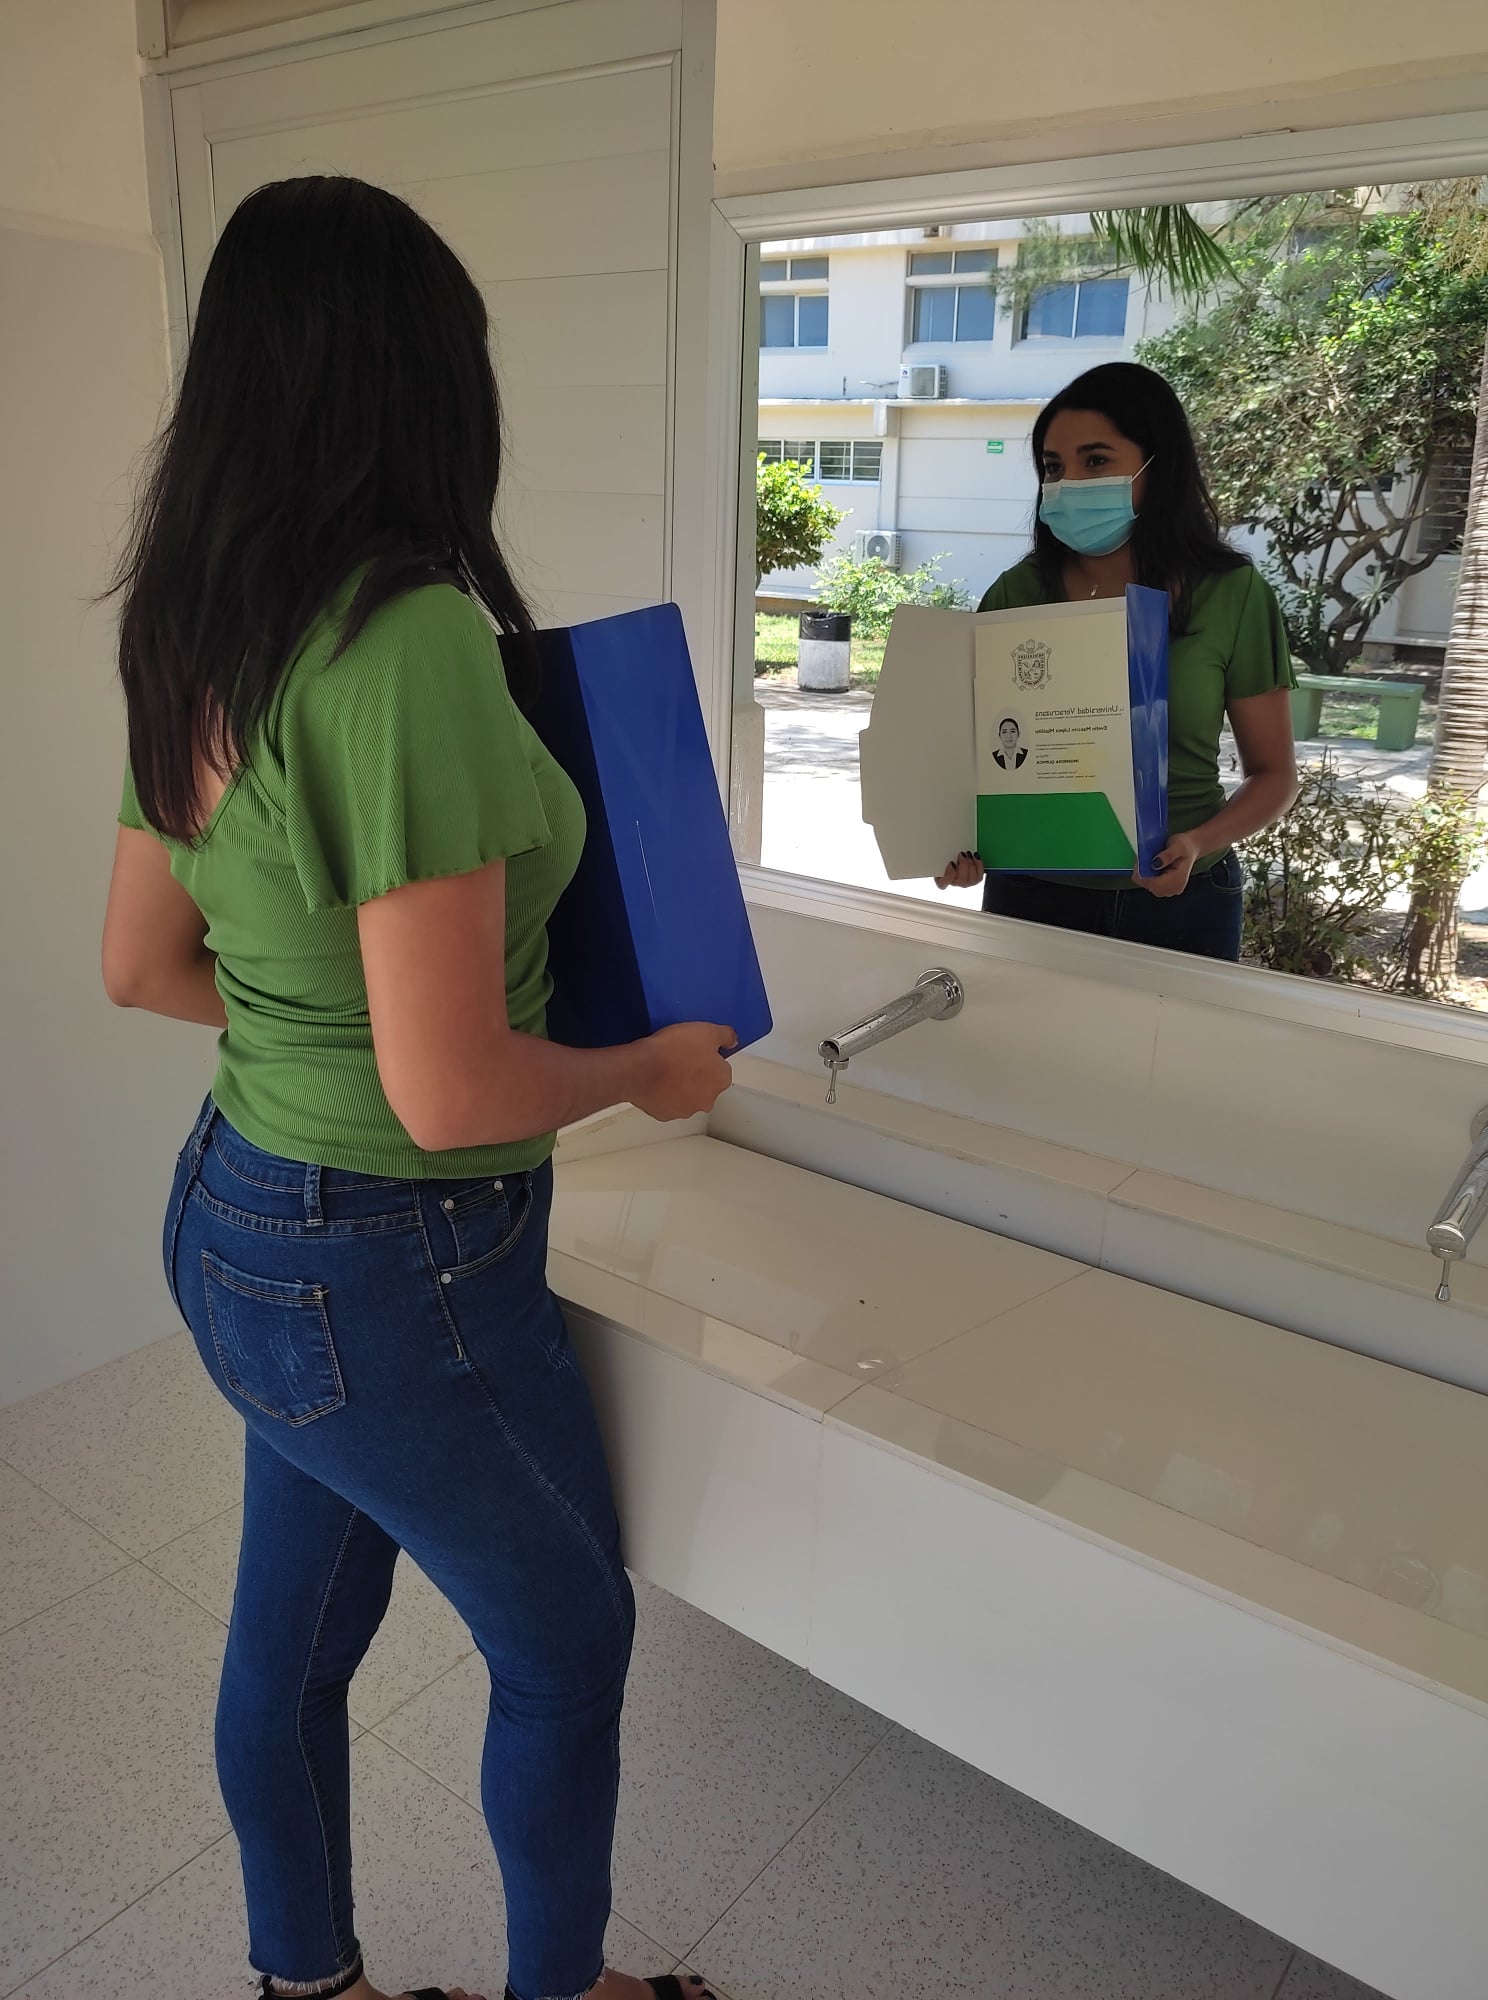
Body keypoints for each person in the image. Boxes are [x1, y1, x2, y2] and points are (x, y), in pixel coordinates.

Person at [100, 177, 731, 2000]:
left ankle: (306, 1982)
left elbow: (142, 964)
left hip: (233, 1213)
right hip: (398, 1257)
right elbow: (449, 1094)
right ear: (417, 379)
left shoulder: (193, 627)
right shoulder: (406, 642)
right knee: (566, 1644)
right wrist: (653, 1070)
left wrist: (314, 1037)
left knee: (294, 1648)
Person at [938, 361, 1298, 961]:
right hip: (1031, 894)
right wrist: (950, 840)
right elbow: (970, 755)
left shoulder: (1232, 595)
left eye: (1096, 460)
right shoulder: (1015, 594)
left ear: (1159, 466)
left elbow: (1275, 776)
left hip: (1183, 899)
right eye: (1054, 467)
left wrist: (1197, 843)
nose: (1070, 483)